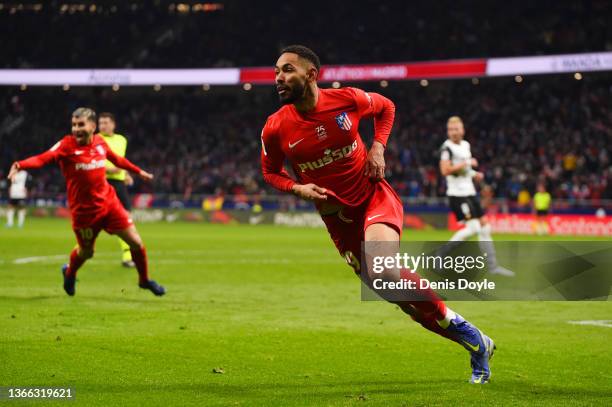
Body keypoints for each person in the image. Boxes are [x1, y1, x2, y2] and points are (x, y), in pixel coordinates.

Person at [261, 45, 496, 384]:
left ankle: (466, 331)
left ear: (311, 75)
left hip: (374, 197)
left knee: (384, 270)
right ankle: (476, 343)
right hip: (339, 222)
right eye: (276, 72)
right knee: (404, 302)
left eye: (286, 70)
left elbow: (386, 108)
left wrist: (378, 146)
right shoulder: (275, 127)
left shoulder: (346, 99)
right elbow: (270, 172)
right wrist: (297, 188)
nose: (278, 78)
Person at [7, 107, 165, 297]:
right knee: (87, 252)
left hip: (109, 204)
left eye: (80, 124)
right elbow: (42, 158)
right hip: (84, 213)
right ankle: (70, 272)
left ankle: (144, 280)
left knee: (136, 242)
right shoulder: (66, 145)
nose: (76, 129)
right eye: (74, 125)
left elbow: (117, 160)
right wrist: (20, 165)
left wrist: (139, 171)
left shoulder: (99, 142)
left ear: (92, 126)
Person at [439, 116, 514, 277]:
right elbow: (445, 170)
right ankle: (440, 255)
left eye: (456, 129)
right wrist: (466, 164)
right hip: (457, 195)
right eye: (450, 129)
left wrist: (474, 174)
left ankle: (493, 267)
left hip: (470, 192)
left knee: (485, 227)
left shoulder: (466, 145)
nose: (453, 132)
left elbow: (464, 169)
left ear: (462, 130)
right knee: (473, 228)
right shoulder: (447, 148)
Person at [98, 112, 135, 267]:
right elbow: (91, 160)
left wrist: (126, 174)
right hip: (101, 182)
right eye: (101, 123)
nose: (103, 126)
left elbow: (121, 159)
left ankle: (127, 256)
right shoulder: (95, 139)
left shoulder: (121, 140)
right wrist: (108, 169)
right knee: (94, 221)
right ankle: (78, 254)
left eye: (106, 122)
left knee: (126, 218)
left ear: (113, 124)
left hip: (118, 184)